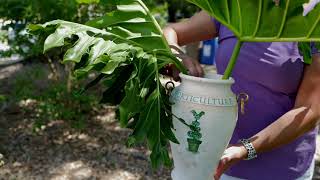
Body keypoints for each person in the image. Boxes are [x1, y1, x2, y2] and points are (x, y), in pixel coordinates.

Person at [163, 9, 320, 180]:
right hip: (220, 159)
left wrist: (245, 149)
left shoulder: (313, 19)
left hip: (283, 168)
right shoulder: (235, 6)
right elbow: (171, 31)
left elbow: (310, 110)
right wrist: (176, 54)